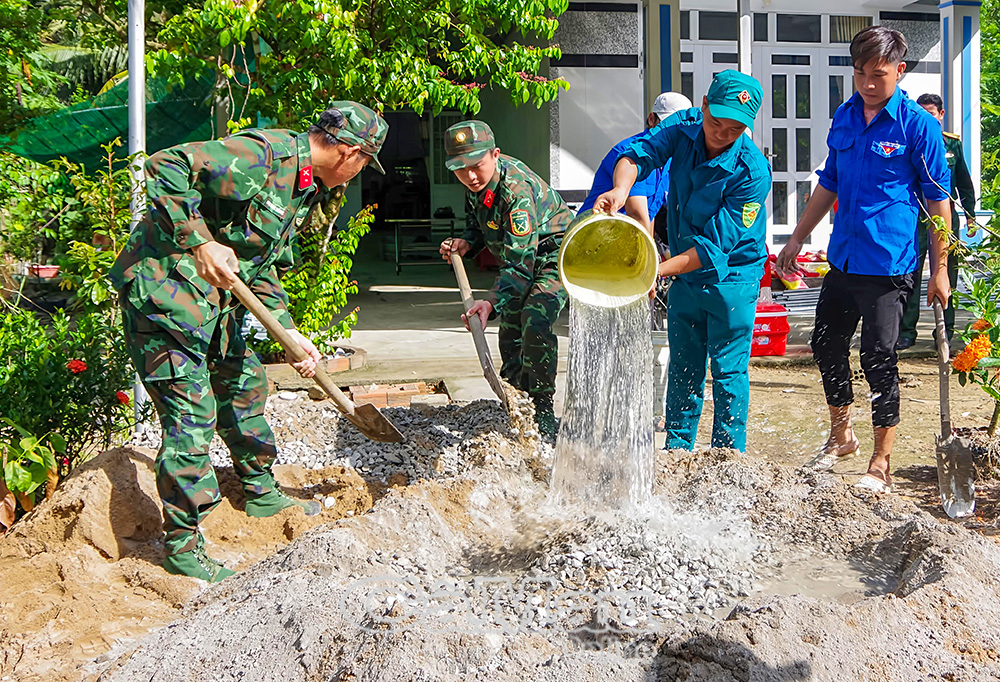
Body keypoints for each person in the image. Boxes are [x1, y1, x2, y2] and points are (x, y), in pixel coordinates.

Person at [110, 102, 388, 581]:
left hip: (210, 305)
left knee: (244, 385)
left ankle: (259, 490)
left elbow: (261, 267)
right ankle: (182, 546)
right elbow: (163, 164)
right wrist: (200, 241)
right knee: (191, 417)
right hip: (162, 297)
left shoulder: (302, 186)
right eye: (365, 162)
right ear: (349, 152)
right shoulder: (264, 155)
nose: (359, 172)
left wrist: (289, 332)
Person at [775, 26, 951, 492]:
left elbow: (938, 203)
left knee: (879, 357)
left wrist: (941, 270)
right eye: (859, 73)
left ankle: (881, 461)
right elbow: (829, 182)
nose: (867, 84)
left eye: (877, 74)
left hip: (890, 265)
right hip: (844, 260)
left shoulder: (919, 126)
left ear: (900, 70)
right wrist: (796, 238)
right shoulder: (845, 116)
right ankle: (842, 434)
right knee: (826, 346)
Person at [593, 69, 771, 452]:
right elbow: (637, 154)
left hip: (733, 274)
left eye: (734, 130)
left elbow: (713, 246)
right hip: (683, 266)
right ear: (703, 106)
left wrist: (653, 270)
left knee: (727, 368)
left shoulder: (752, 172)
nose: (721, 135)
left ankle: (727, 457)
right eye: (716, 122)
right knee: (685, 362)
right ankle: (676, 449)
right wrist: (621, 188)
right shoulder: (684, 125)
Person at [438, 121, 572, 441]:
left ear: (495, 155)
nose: (469, 176)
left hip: (554, 257)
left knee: (534, 318)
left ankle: (541, 408)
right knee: (511, 329)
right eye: (460, 169)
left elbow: (521, 264)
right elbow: (480, 222)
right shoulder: (475, 184)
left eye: (476, 166)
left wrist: (490, 300)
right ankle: (513, 399)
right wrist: (467, 243)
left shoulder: (516, 193)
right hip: (519, 261)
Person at [896, 92, 977, 350]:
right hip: (916, 218)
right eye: (921, 113)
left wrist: (970, 216)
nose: (926, 119)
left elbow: (964, 183)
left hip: (945, 219)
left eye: (931, 114)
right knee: (912, 275)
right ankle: (906, 331)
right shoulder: (909, 141)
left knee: (946, 273)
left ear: (940, 115)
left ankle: (945, 332)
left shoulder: (951, 145)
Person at [578, 92, 693, 235]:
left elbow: (649, 215)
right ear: (651, 120)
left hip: (620, 239)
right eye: (666, 126)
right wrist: (649, 256)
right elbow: (637, 215)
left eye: (677, 129)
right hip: (591, 236)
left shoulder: (670, 159)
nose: (671, 133)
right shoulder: (631, 153)